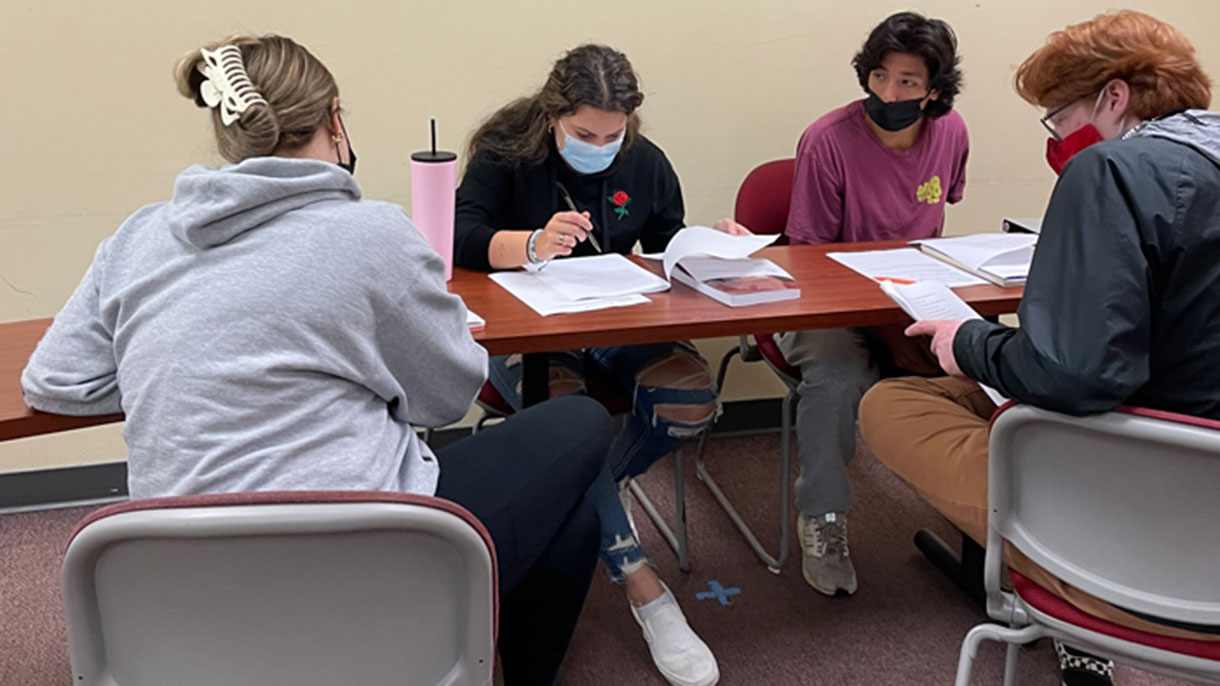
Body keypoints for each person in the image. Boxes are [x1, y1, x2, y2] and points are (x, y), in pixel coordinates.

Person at [20, 34, 617, 686]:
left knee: (572, 503)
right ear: (335, 119)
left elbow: (53, 380)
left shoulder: (137, 237)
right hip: (375, 576)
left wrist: (181, 363)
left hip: (184, 599)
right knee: (582, 428)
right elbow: (448, 396)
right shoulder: (374, 234)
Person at [857, 11, 1218, 686]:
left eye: (1058, 118)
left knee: (893, 404)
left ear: (1114, 97)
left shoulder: (1113, 171)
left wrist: (967, 341)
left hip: (1154, 531)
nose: (1056, 139)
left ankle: (1066, 577)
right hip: (1199, 460)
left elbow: (1074, 374)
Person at [454, 44, 742, 686]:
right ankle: (644, 586)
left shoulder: (643, 159)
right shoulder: (506, 149)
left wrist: (718, 246)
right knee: (568, 416)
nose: (601, 145)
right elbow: (459, 237)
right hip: (526, 329)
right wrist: (528, 244)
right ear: (554, 115)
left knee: (690, 401)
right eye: (584, 134)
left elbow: (671, 247)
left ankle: (565, 489)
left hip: (615, 316)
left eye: (613, 135)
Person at [777, 11, 969, 596]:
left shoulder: (952, 132)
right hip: (828, 300)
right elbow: (808, 258)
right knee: (836, 377)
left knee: (987, 362)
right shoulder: (827, 140)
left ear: (934, 89)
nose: (889, 93)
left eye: (908, 82)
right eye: (880, 76)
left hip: (913, 295)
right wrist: (881, 324)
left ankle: (985, 520)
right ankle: (823, 515)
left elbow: (940, 216)